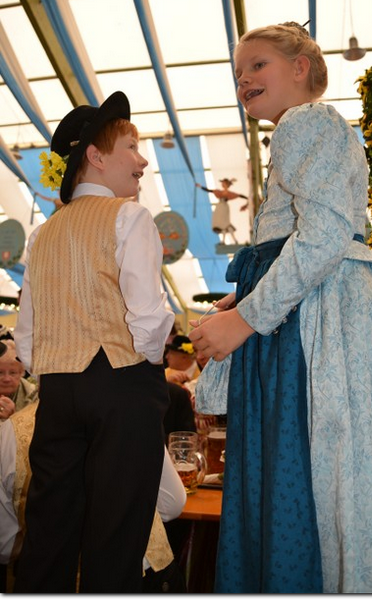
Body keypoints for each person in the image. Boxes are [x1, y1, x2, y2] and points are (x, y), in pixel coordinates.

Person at [189, 22, 372, 593]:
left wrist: (244, 319)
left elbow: (325, 235)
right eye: (238, 73)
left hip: (315, 323)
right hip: (306, 310)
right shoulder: (305, 130)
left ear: (300, 67)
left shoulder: (306, 121)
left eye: (257, 64)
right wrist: (242, 297)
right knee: (329, 470)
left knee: (309, 463)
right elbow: (301, 239)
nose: (244, 79)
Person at [13, 91, 175, 593]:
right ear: (96, 156)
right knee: (116, 537)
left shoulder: (42, 234)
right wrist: (145, 365)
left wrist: (62, 364)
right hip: (123, 386)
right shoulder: (130, 217)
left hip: (58, 392)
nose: (142, 160)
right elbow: (149, 318)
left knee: (49, 531)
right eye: (131, 147)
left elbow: (26, 338)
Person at [0, 403, 187, 594]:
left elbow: (5, 545)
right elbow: (172, 503)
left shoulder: (11, 431)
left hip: (51, 575)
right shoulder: (134, 410)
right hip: (139, 570)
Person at [195, 178, 248, 244]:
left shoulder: (228, 193)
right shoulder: (219, 192)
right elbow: (209, 190)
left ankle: (232, 240)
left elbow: (239, 195)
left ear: (226, 184)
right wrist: (200, 186)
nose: (222, 184)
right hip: (220, 208)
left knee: (225, 224)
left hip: (223, 208)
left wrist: (248, 198)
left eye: (223, 183)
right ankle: (227, 241)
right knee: (222, 225)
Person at [0, 340, 38, 422]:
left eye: (13, 373)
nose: (6, 379)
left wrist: (13, 418)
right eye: (0, 373)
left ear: (21, 373)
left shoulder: (34, 395)